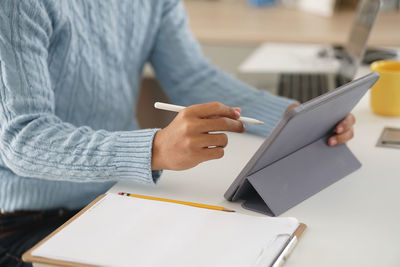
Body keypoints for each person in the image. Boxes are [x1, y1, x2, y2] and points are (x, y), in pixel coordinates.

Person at [0, 0, 355, 266]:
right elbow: (22, 139)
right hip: (31, 223)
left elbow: (193, 78)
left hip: (117, 198)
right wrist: (155, 148)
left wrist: (295, 117)